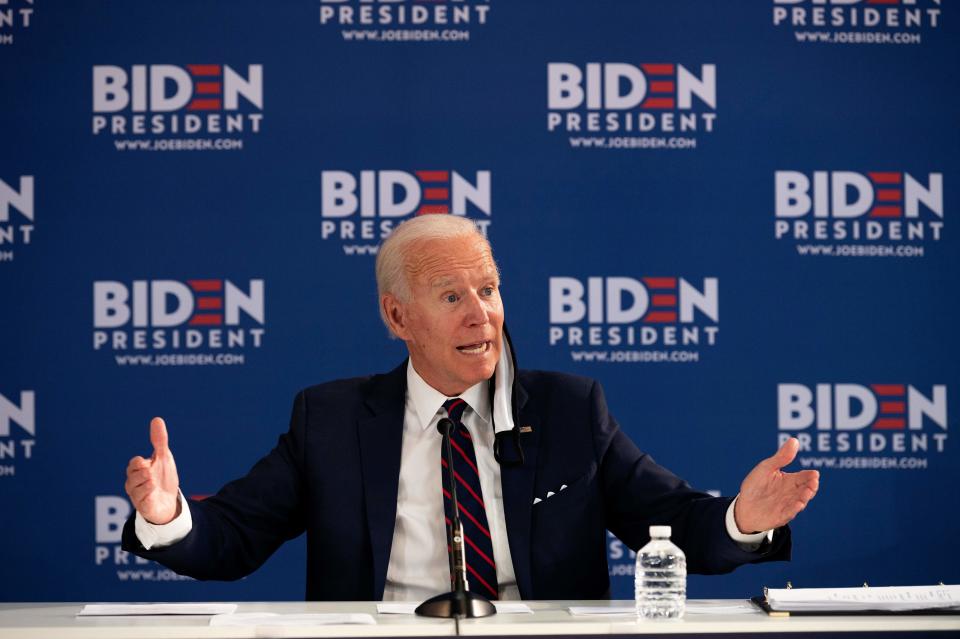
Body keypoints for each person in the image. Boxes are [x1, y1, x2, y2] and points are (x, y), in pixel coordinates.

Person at [122, 215, 819, 601]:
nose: (481, 313)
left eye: (488, 289)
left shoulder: (570, 409)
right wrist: (166, 516)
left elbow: (672, 523)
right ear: (398, 316)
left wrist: (741, 518)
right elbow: (232, 539)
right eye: (452, 295)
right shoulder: (331, 421)